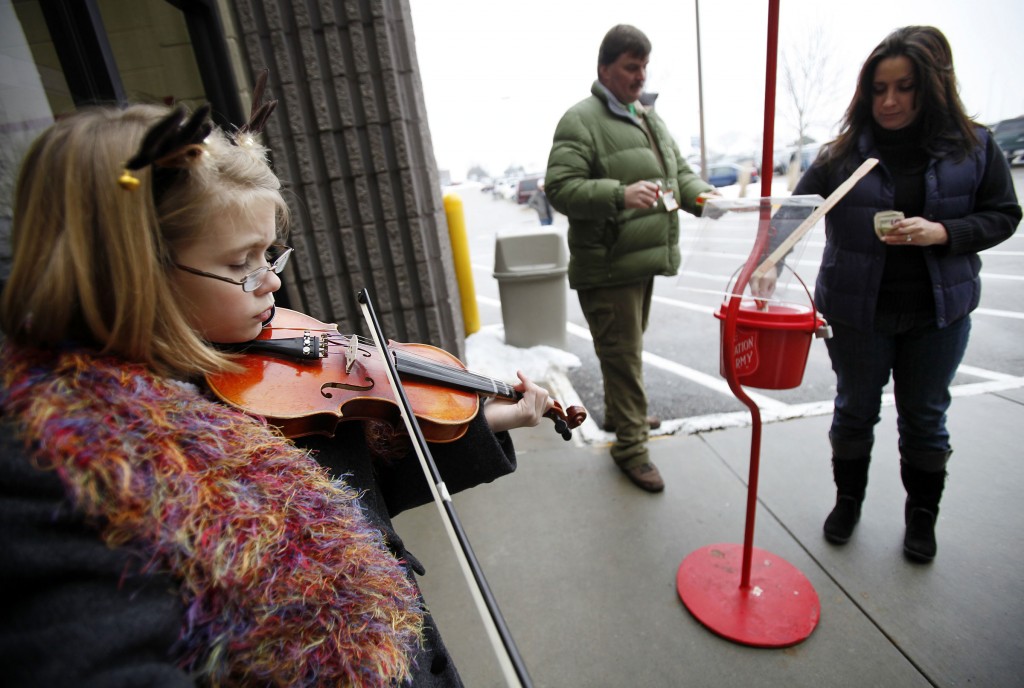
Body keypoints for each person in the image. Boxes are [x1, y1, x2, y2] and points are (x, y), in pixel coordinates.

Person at [0, 98, 553, 686]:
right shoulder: (50, 470)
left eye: (269, 253)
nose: (274, 280)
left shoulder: (228, 361)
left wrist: (478, 420)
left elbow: (341, 496)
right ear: (130, 271)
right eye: (243, 263)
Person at [783, 26, 1020, 562]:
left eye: (904, 87)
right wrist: (766, 259)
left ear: (933, 86)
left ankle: (922, 517)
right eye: (878, 88)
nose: (889, 101)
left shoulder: (974, 147)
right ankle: (848, 502)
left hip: (939, 313)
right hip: (857, 313)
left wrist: (945, 232)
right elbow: (792, 217)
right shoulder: (841, 154)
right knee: (853, 410)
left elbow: (1005, 215)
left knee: (926, 416)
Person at [543, 24, 714, 492]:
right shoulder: (581, 119)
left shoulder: (645, 116)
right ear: (605, 69)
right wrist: (619, 194)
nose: (640, 76)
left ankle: (625, 418)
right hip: (608, 266)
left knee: (624, 352)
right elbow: (560, 188)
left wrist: (705, 199)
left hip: (639, 260)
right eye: (630, 67)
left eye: (643, 67)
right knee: (624, 358)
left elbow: (678, 171)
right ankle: (632, 448)